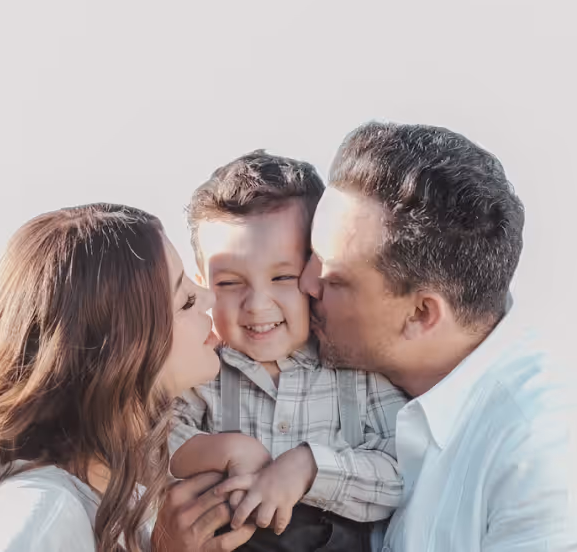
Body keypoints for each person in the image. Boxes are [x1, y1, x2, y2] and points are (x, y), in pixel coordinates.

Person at [299, 122, 577, 551]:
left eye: (334, 279)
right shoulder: (327, 384)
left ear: (421, 314)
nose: (305, 283)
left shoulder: (550, 456)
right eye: (310, 255)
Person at [0, 203, 258, 552]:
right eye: (185, 301)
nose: (210, 297)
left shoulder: (122, 501)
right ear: (119, 348)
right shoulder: (39, 514)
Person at [171, 151, 407, 551]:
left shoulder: (355, 369)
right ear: (202, 285)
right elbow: (148, 444)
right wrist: (226, 450)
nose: (258, 304)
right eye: (229, 283)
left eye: (283, 277)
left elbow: (403, 472)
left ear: (316, 272)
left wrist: (310, 467)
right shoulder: (203, 373)